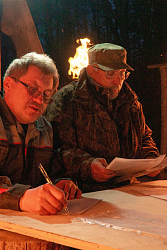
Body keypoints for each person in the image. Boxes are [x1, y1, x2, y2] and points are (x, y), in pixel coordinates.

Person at [0, 52, 81, 215]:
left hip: (29, 224)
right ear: (8, 84)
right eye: (33, 89)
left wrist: (59, 184)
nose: (39, 101)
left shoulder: (44, 128)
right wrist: (22, 197)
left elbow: (49, 174)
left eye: (46, 95)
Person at [46, 43, 160, 192]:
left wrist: (150, 158)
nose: (118, 80)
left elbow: (144, 136)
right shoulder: (66, 100)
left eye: (122, 73)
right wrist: (87, 166)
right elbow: (55, 150)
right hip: (83, 194)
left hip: (127, 190)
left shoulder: (131, 101)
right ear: (92, 70)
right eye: (111, 74)